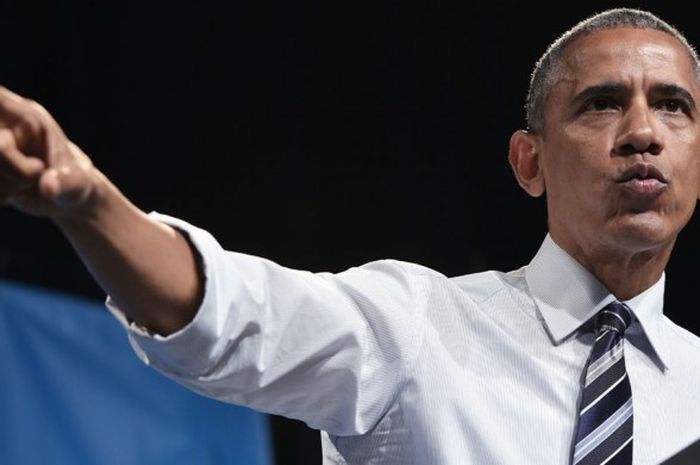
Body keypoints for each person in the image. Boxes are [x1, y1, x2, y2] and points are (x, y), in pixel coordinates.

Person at [1, 6, 699, 465]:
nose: (642, 132)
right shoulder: (417, 325)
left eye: (673, 106)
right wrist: (87, 203)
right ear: (530, 162)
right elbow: (232, 317)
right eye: (601, 104)